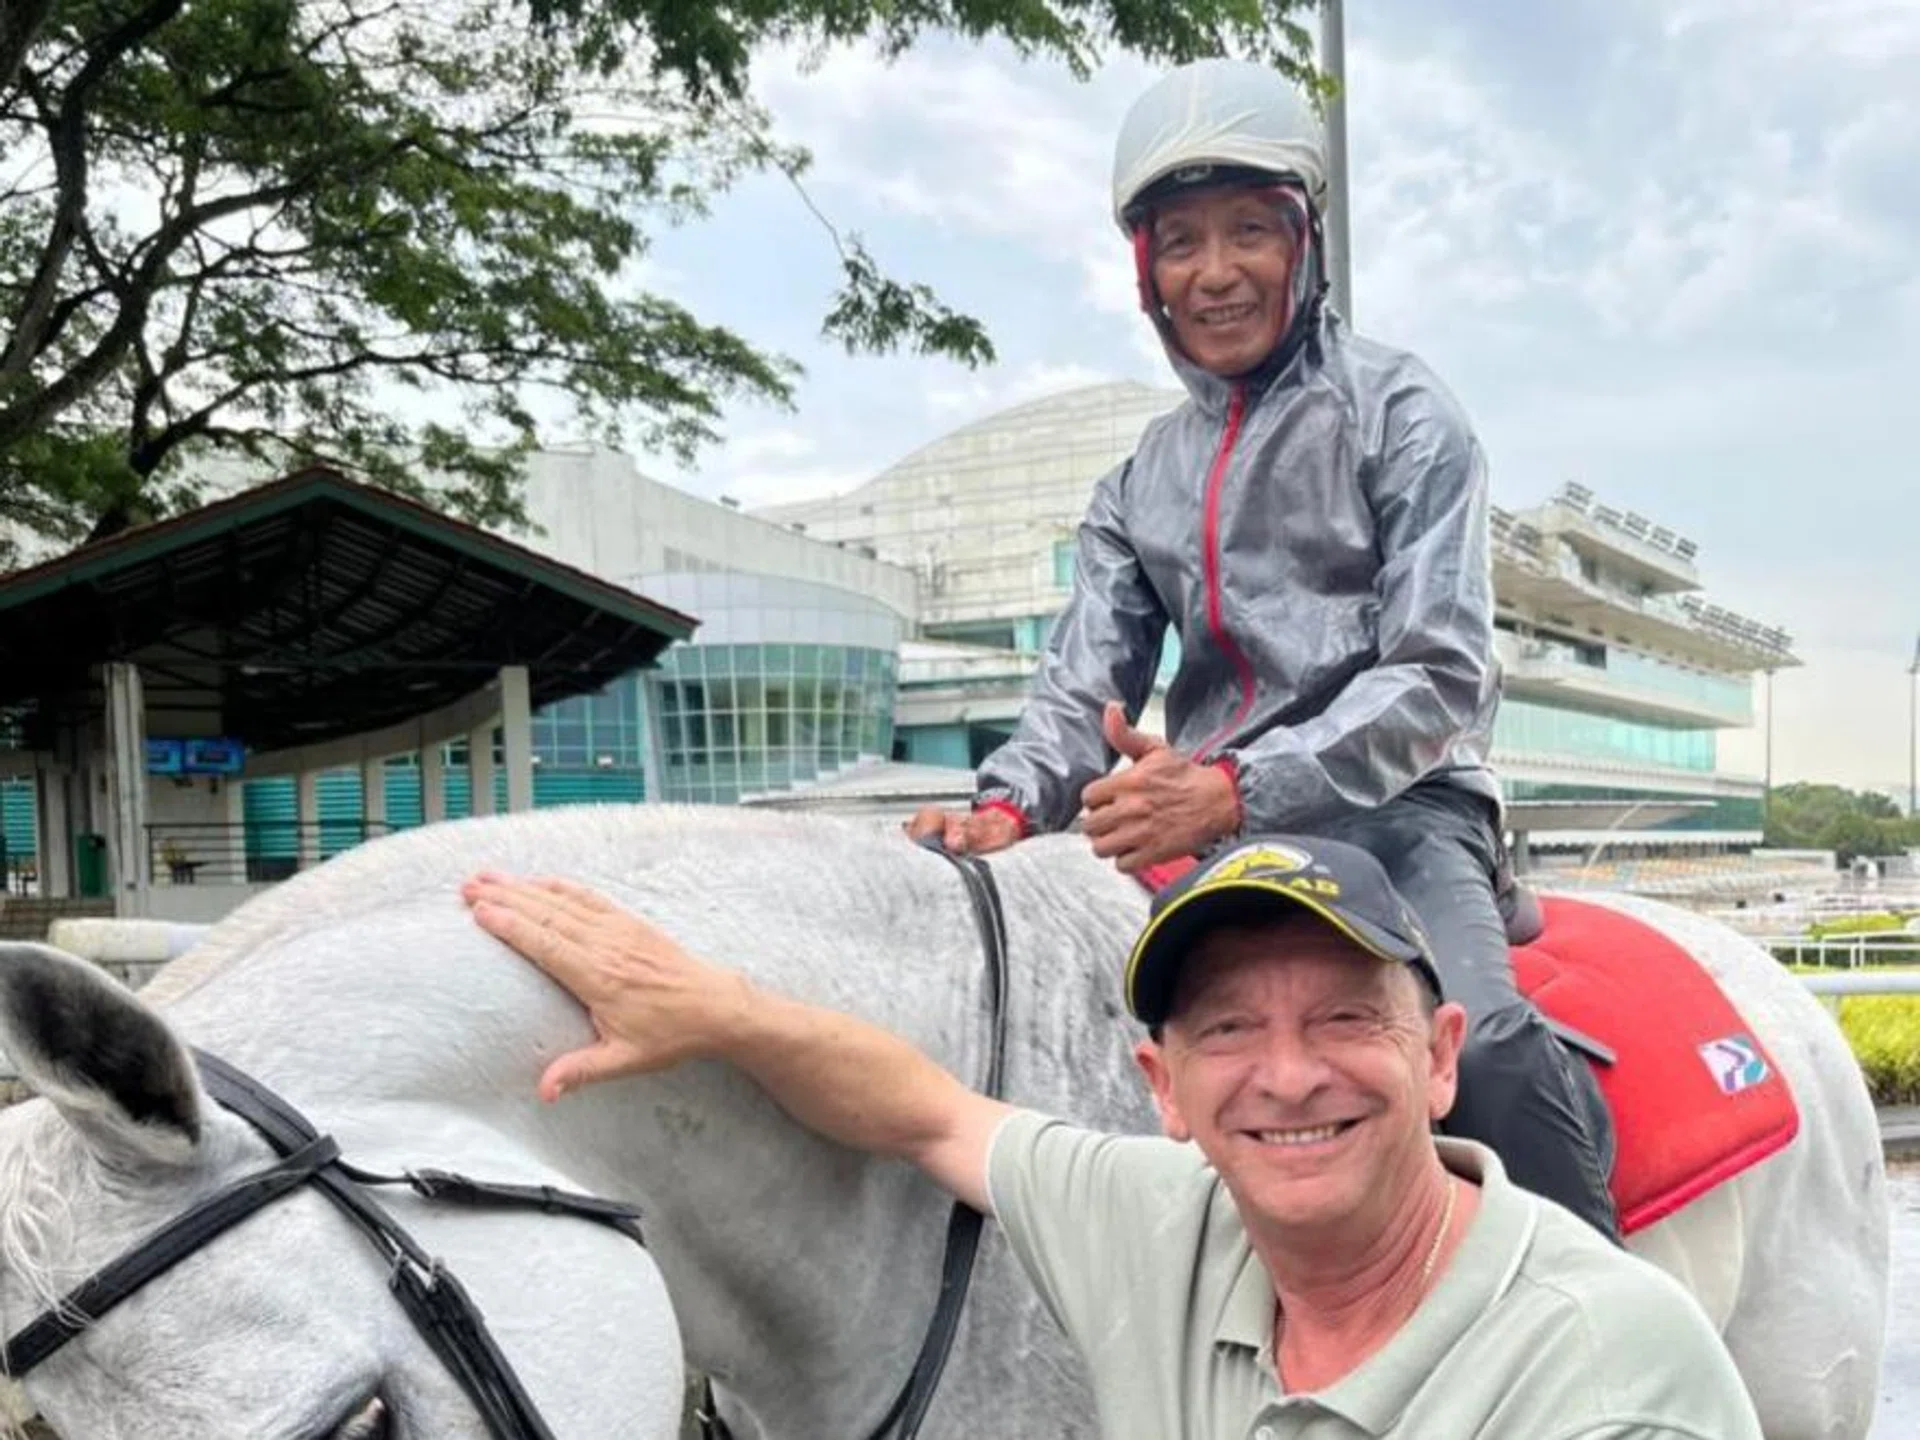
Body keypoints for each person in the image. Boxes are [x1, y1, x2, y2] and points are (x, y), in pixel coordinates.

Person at [904, 56, 1617, 1238]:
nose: (1216, 271)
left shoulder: (1404, 411)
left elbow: (1439, 675)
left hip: (1406, 810)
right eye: (1180, 241)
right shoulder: (1137, 481)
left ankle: (1603, 1342)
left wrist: (1234, 787)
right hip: (1212, 821)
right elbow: (1087, 682)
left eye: (1249, 231)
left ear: (1305, 244)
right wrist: (1009, 804)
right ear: (1146, 272)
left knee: (1481, 1048)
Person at [460, 837, 1763, 1440]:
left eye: (1345, 1018)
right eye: (1231, 1029)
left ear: (1435, 1060)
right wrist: (717, 1011)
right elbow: (923, 1109)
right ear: (1162, 1085)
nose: (1290, 1073)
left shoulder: (1609, 1385)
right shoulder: (1157, 1219)